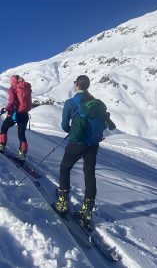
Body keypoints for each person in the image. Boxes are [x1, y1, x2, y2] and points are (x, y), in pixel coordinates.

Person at [54, 75, 115, 227]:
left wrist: (73, 132)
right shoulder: (95, 102)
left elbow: (64, 125)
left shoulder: (70, 102)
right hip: (93, 143)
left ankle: (62, 203)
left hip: (78, 142)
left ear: (76, 85)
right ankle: (86, 212)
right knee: (89, 173)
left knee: (65, 168)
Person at [0, 75, 32, 161]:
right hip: (25, 115)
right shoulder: (26, 87)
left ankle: (1, 147)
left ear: (12, 81)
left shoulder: (12, 89)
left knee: (4, 128)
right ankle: (22, 156)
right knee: (21, 135)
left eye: (10, 81)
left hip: (15, 114)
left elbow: (12, 101)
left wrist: (5, 109)